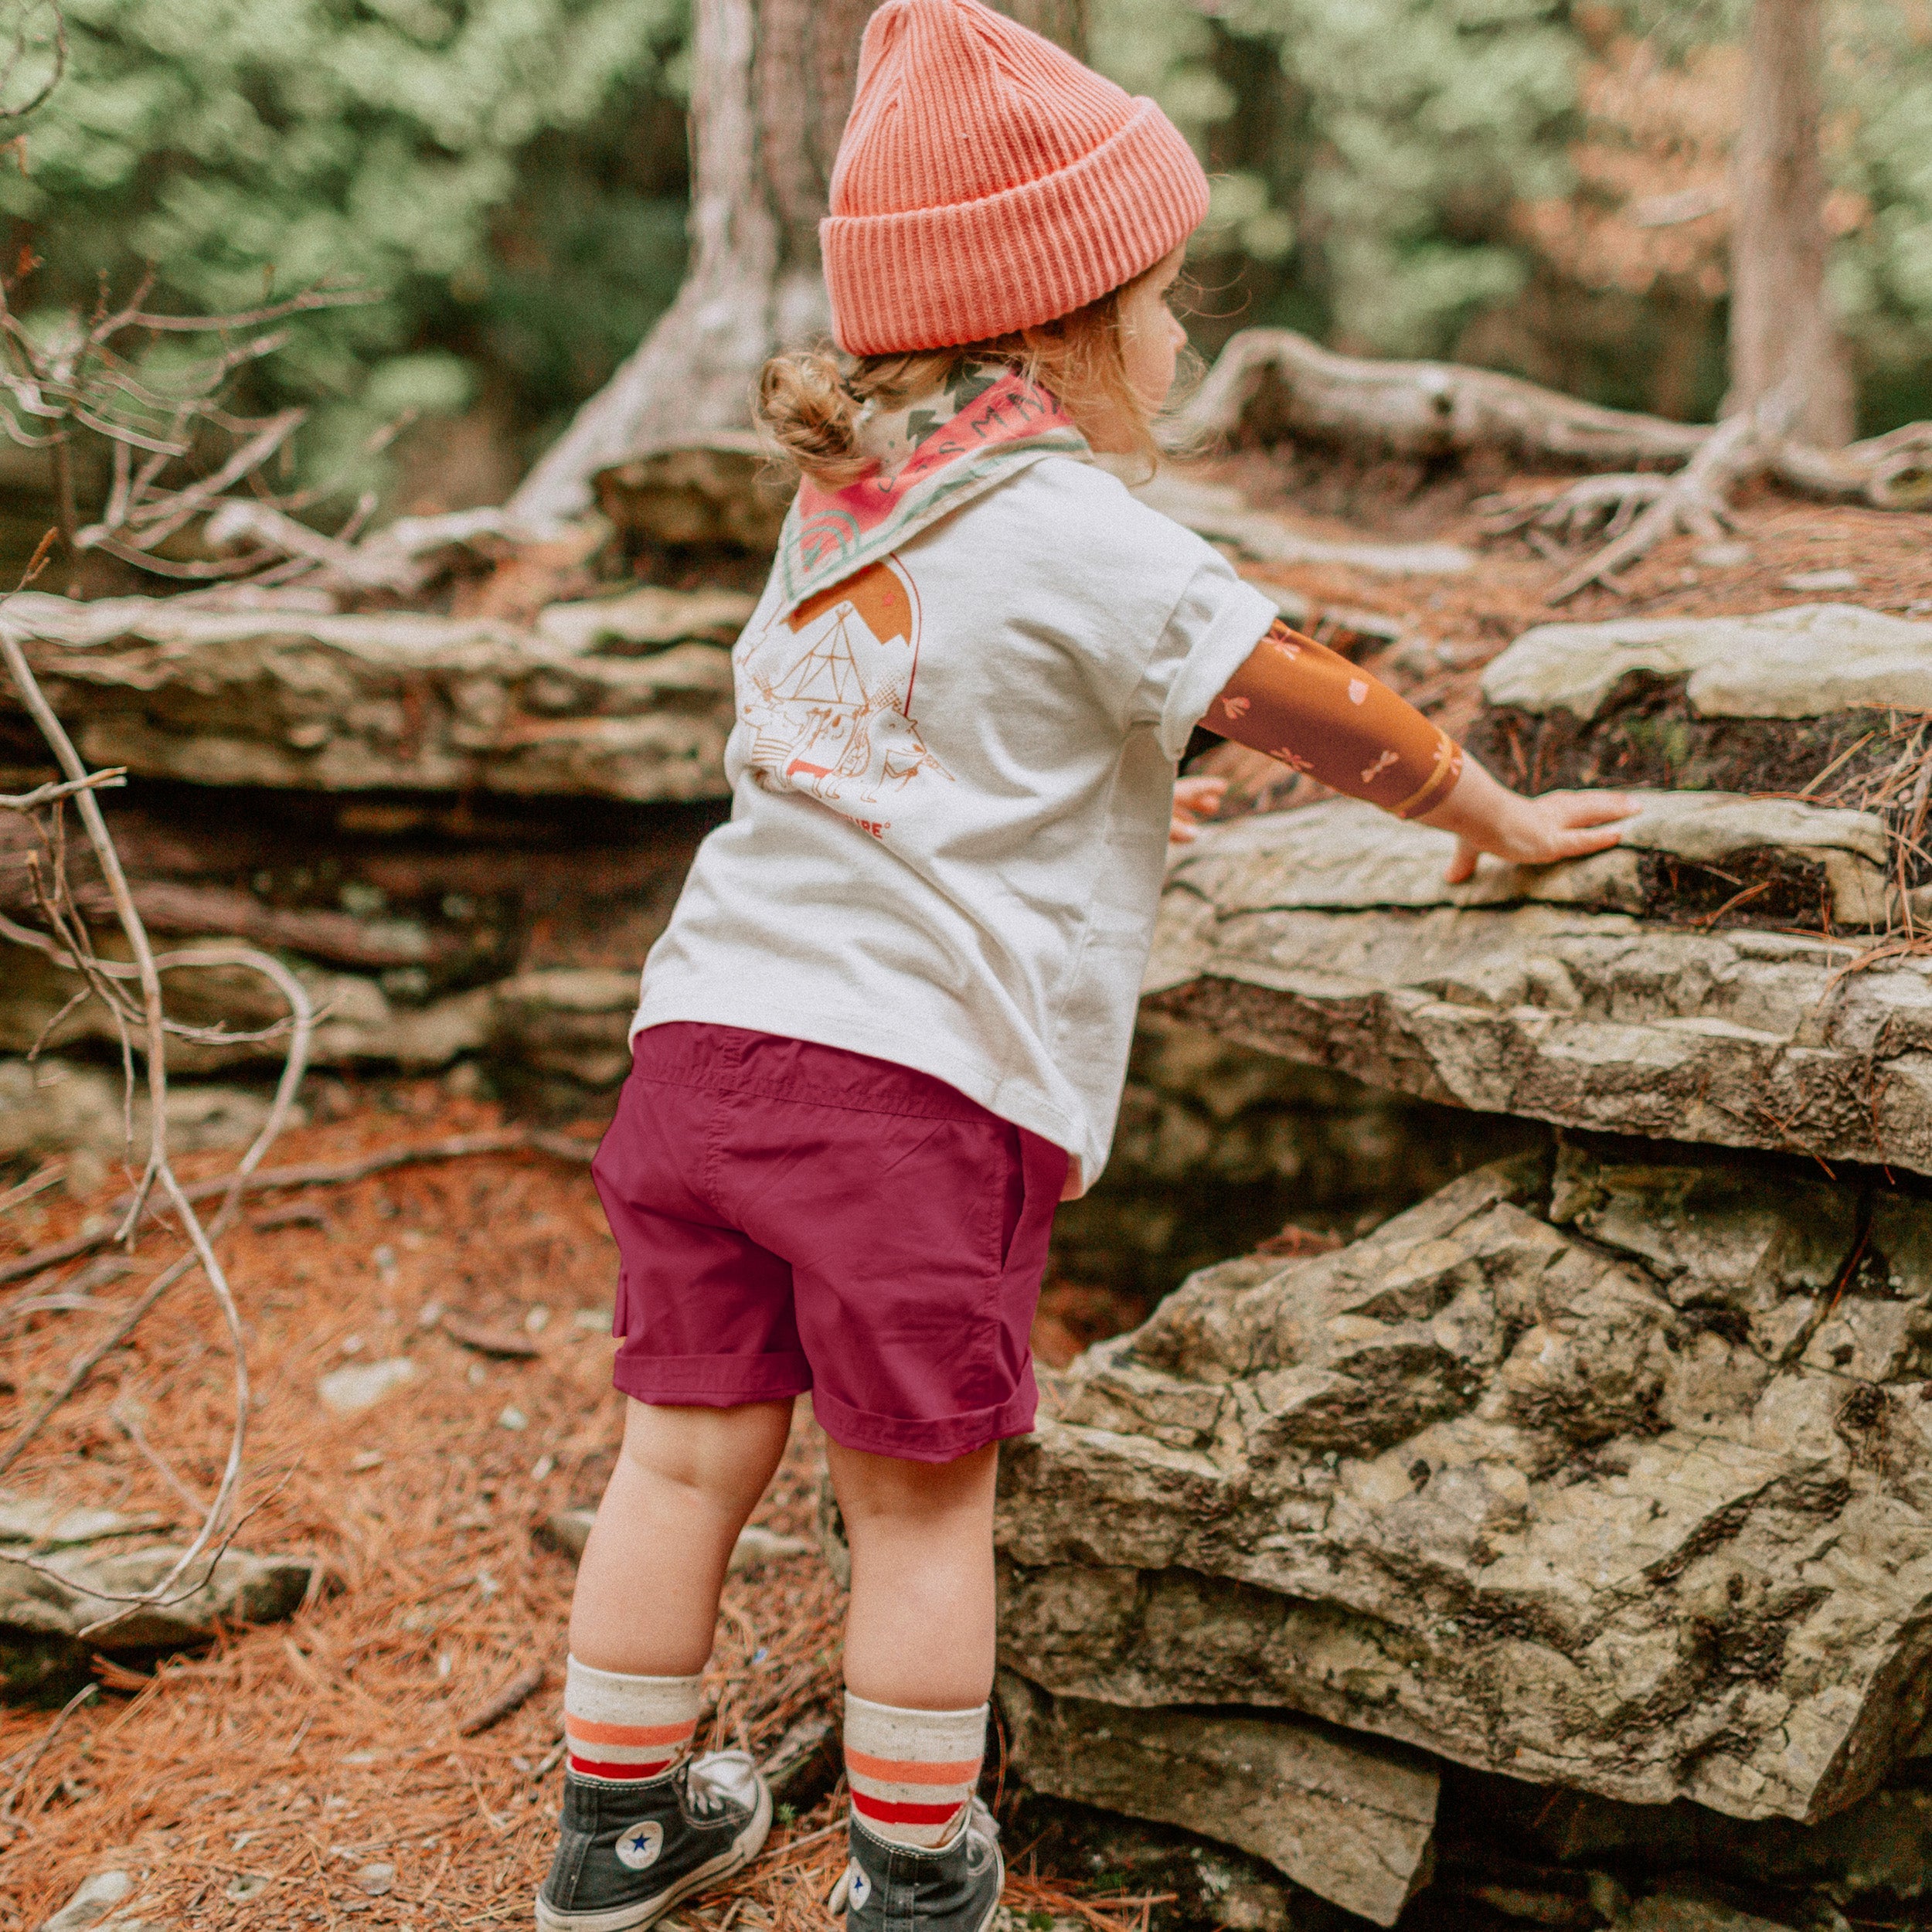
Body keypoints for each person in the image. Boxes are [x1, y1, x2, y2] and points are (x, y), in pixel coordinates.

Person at [535, 3, 1633, 1929]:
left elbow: (912, 741)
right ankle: (910, 1869)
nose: (1183, 338)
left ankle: (615, 1834)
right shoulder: (1072, 523)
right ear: (1057, 320)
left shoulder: (842, 502)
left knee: (682, 1456)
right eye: (1164, 299)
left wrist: (1098, 813)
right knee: (915, 1499)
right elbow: (1304, 699)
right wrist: (1493, 816)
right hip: (902, 1097)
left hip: (700, 1053)